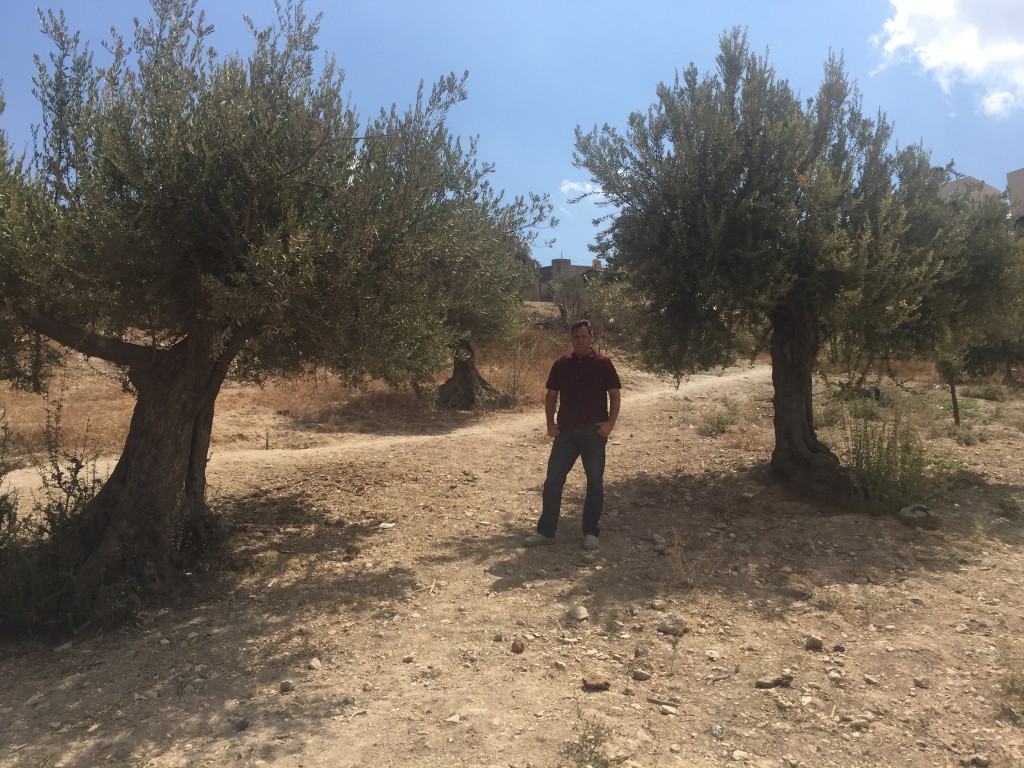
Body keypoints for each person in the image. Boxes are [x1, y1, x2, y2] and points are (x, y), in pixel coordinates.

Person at [523, 319, 621, 550]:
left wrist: (610, 424)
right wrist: (550, 424)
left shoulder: (603, 363)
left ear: (591, 338)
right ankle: (546, 532)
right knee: (553, 482)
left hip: (594, 433)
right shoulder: (561, 364)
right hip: (566, 433)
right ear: (571, 339)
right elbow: (551, 396)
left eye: (584, 336)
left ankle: (590, 532)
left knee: (595, 484)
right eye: (576, 337)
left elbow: (615, 395)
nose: (580, 340)